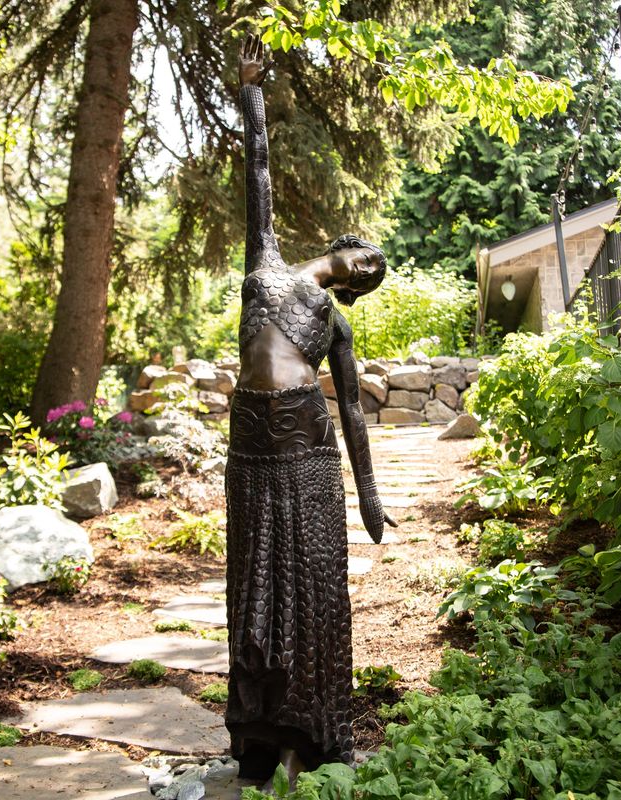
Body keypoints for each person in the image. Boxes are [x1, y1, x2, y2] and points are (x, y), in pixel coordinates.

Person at [224, 33, 397, 791]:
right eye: (367, 258)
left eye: (373, 276)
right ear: (345, 246)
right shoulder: (266, 259)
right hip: (250, 444)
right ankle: (259, 734)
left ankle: (317, 729)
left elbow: (353, 411)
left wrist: (370, 493)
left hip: (306, 442)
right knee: (253, 582)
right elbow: (257, 173)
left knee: (314, 580)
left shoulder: (338, 322)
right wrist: (253, 94)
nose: (367, 269)